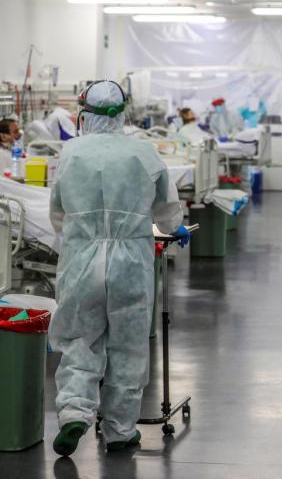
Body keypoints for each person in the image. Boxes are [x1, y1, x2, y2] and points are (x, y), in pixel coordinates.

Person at [48, 80, 189, 456]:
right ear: (122, 113)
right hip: (131, 261)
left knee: (79, 338)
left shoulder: (71, 153)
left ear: (84, 113)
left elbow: (57, 214)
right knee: (128, 346)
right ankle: (120, 431)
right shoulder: (143, 154)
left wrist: (82, 237)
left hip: (81, 258)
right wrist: (173, 228)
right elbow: (168, 213)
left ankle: (74, 412)